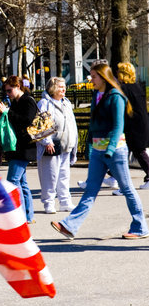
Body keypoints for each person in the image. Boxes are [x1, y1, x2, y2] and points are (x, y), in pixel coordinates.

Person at [51, 60, 149, 240]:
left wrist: (110, 149)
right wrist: (90, 145)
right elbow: (93, 124)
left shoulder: (116, 97)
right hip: (98, 151)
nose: (91, 79)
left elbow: (118, 125)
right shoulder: (97, 94)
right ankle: (70, 225)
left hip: (115, 151)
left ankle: (140, 226)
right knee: (90, 190)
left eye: (94, 76)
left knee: (127, 189)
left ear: (103, 77)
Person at [36, 77, 78, 214]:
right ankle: (48, 202)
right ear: (52, 88)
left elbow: (72, 124)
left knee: (64, 176)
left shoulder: (66, 102)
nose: (63, 89)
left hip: (66, 145)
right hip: (52, 146)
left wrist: (74, 143)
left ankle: (65, 202)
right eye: (60, 87)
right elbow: (40, 125)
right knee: (50, 176)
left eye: (64, 86)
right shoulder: (44, 103)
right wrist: (47, 141)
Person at [3, 75, 38, 223]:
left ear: (18, 87)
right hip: (19, 146)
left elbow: (27, 121)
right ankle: (28, 216)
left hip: (24, 147)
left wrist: (8, 112)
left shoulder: (27, 100)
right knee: (22, 182)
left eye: (10, 90)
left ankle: (21, 217)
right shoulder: (16, 101)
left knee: (13, 181)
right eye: (6, 91)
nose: (8, 94)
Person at [116, 61, 149, 190]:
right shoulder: (137, 86)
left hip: (133, 125)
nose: (117, 74)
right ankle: (113, 176)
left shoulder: (124, 89)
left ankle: (118, 180)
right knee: (134, 151)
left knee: (137, 151)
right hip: (141, 122)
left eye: (119, 72)